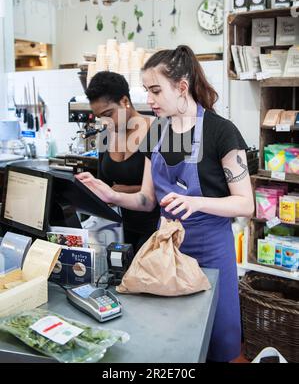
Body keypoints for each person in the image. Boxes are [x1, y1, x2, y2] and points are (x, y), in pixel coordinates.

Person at [76, 45, 254, 362]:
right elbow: (147, 201)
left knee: (217, 341)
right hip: (166, 252)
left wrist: (196, 202)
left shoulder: (220, 132)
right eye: (147, 90)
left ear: (181, 87)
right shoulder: (159, 132)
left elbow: (245, 205)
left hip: (211, 253)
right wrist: (111, 195)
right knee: (172, 341)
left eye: (156, 90)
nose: (150, 99)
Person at [85, 71, 160, 253]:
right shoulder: (105, 137)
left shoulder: (157, 131)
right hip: (116, 230)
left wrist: (120, 190)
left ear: (125, 101)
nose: (104, 122)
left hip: (153, 230)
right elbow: (105, 184)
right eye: (99, 117)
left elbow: (166, 187)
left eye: (108, 114)